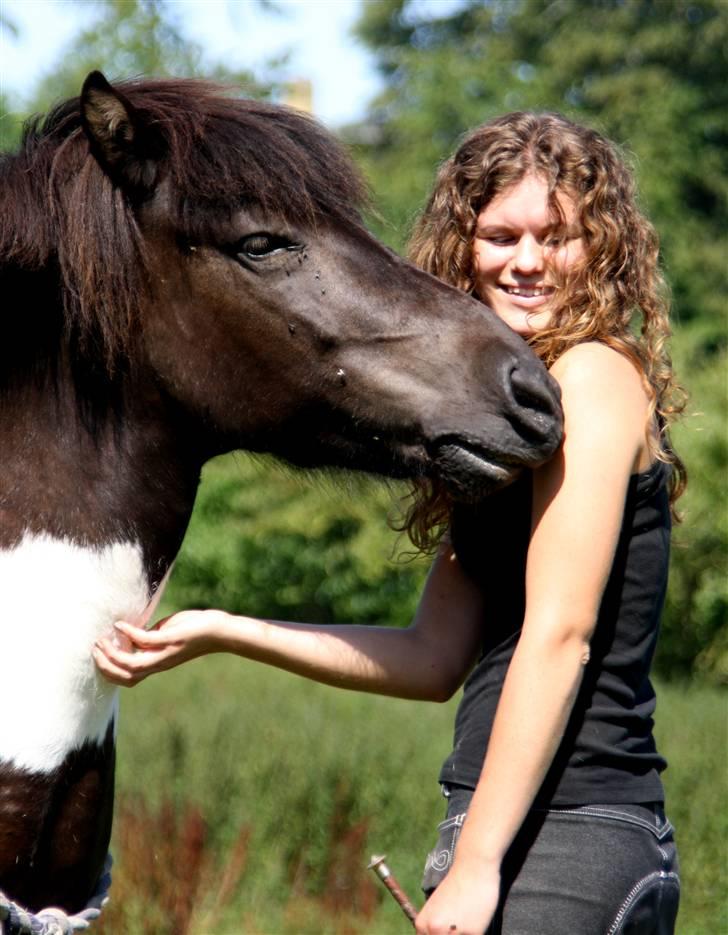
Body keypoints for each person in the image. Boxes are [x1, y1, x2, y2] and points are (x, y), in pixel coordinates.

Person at [94, 111, 685, 934]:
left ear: (603, 248)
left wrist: (477, 868)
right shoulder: (503, 427)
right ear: (462, 248)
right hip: (503, 826)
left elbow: (562, 632)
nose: (526, 262)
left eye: (558, 238)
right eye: (501, 235)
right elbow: (430, 657)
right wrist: (226, 629)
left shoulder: (593, 375)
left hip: (577, 832)